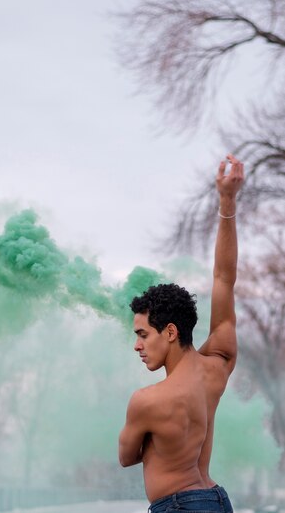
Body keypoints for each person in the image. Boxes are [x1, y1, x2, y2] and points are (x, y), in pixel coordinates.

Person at [119, 154, 245, 513]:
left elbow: (127, 457)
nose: (137, 345)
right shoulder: (217, 368)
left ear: (170, 332)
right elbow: (224, 278)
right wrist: (227, 202)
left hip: (179, 505)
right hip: (217, 499)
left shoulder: (146, 401)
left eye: (143, 334)